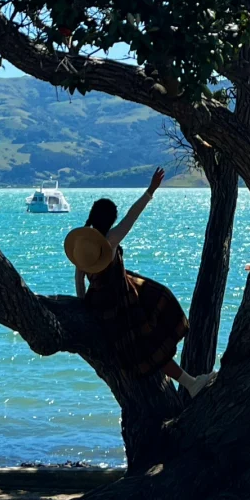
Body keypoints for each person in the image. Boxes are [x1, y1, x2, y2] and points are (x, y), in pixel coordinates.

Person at [64, 167, 214, 396]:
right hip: (122, 303)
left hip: (101, 306)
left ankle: (190, 382)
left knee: (147, 347)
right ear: (110, 219)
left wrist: (84, 306)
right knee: (153, 336)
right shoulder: (110, 240)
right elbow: (132, 216)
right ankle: (191, 383)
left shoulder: (83, 246)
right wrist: (150, 191)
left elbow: (79, 280)